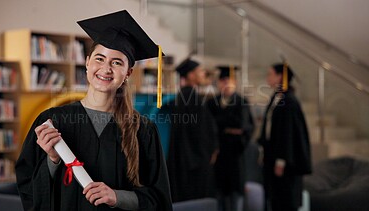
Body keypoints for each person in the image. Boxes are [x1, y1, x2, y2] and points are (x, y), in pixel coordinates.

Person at [15, 10, 172, 211]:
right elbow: (28, 188)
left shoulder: (143, 130)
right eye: (99, 58)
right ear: (87, 62)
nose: (106, 68)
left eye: (116, 62)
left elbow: (159, 199)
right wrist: (53, 160)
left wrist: (117, 197)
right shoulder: (53, 121)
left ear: (128, 73)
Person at [258, 63, 312, 211]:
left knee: (285, 200)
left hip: (285, 161)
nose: (267, 78)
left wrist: (281, 161)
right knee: (274, 199)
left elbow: (287, 133)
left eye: (270, 74)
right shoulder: (277, 97)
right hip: (272, 156)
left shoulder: (288, 101)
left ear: (280, 76)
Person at [167, 58, 219, 202]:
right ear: (190, 75)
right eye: (200, 71)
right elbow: (199, 131)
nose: (203, 74)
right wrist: (210, 150)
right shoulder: (190, 97)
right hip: (193, 161)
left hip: (188, 157)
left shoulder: (185, 95)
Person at [207, 66, 255, 211]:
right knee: (219, 195)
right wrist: (228, 128)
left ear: (234, 82)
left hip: (236, 154)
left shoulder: (241, 102)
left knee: (234, 196)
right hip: (218, 154)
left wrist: (224, 126)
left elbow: (243, 125)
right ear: (219, 83)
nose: (225, 84)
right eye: (222, 81)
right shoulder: (211, 102)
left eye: (229, 80)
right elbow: (209, 125)